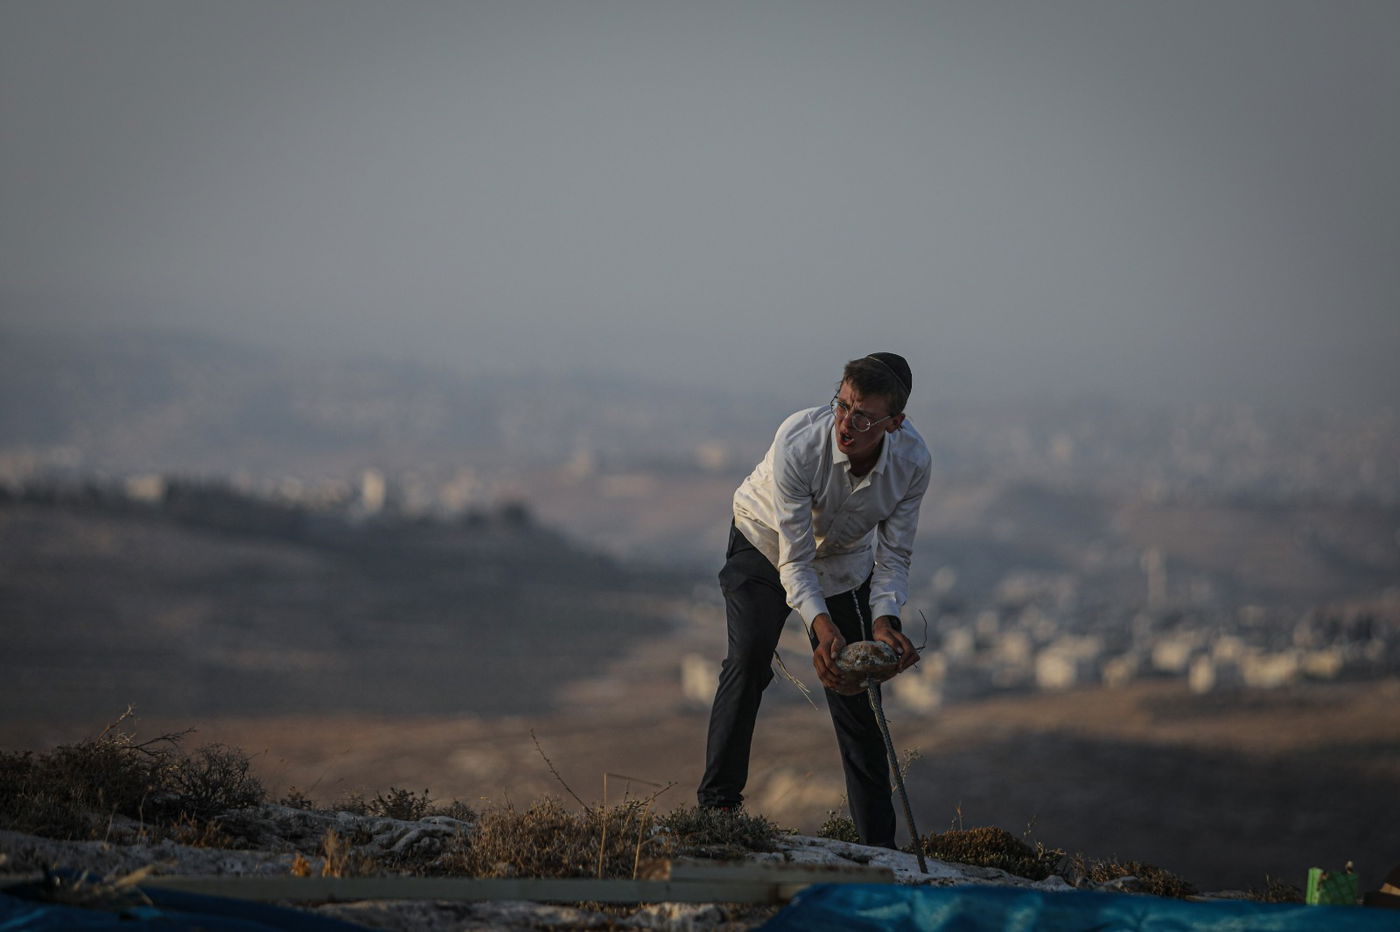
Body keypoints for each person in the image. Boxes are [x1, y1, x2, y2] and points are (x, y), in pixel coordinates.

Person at [697, 352, 931, 847]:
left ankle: (879, 847)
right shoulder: (800, 440)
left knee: (856, 687)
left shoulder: (912, 463)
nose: (846, 423)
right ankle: (717, 810)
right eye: (842, 405)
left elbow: (894, 556)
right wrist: (823, 630)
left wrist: (885, 621)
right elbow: (795, 558)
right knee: (749, 657)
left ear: (894, 423)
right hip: (766, 541)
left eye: (863, 416)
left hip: (844, 561)